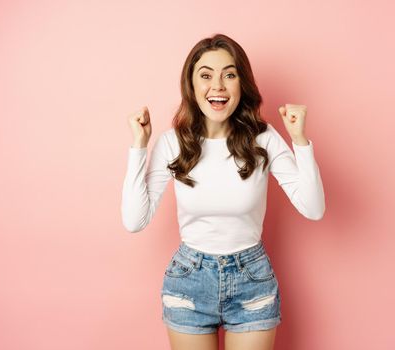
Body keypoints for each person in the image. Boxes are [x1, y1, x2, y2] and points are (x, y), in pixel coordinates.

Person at [121, 33, 326, 350]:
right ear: (192, 85)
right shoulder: (172, 142)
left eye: (229, 75)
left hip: (252, 280)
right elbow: (134, 220)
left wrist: (300, 140)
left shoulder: (264, 139)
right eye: (206, 75)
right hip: (189, 280)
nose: (217, 86)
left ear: (241, 83)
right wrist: (139, 146)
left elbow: (313, 209)